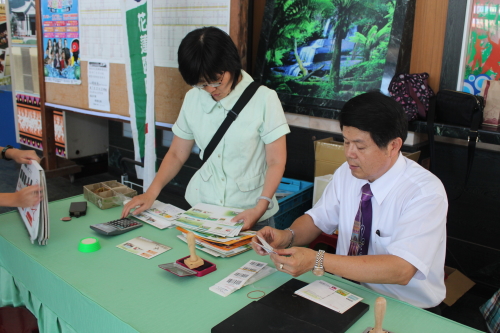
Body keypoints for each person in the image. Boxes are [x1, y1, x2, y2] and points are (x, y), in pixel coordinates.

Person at [253, 91, 448, 312]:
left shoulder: (424, 192)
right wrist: (288, 236)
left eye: (360, 146)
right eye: (346, 142)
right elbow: (317, 219)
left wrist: (316, 260)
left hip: (406, 307)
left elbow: (402, 269)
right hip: (346, 293)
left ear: (393, 146)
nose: (349, 154)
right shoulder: (347, 173)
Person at [122, 26, 290, 230]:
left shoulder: (265, 99)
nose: (210, 90)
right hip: (203, 209)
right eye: (201, 84)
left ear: (231, 64)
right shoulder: (193, 98)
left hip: (252, 211)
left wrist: (260, 207)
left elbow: (276, 161)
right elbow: (176, 153)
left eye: (216, 81)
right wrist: (151, 192)